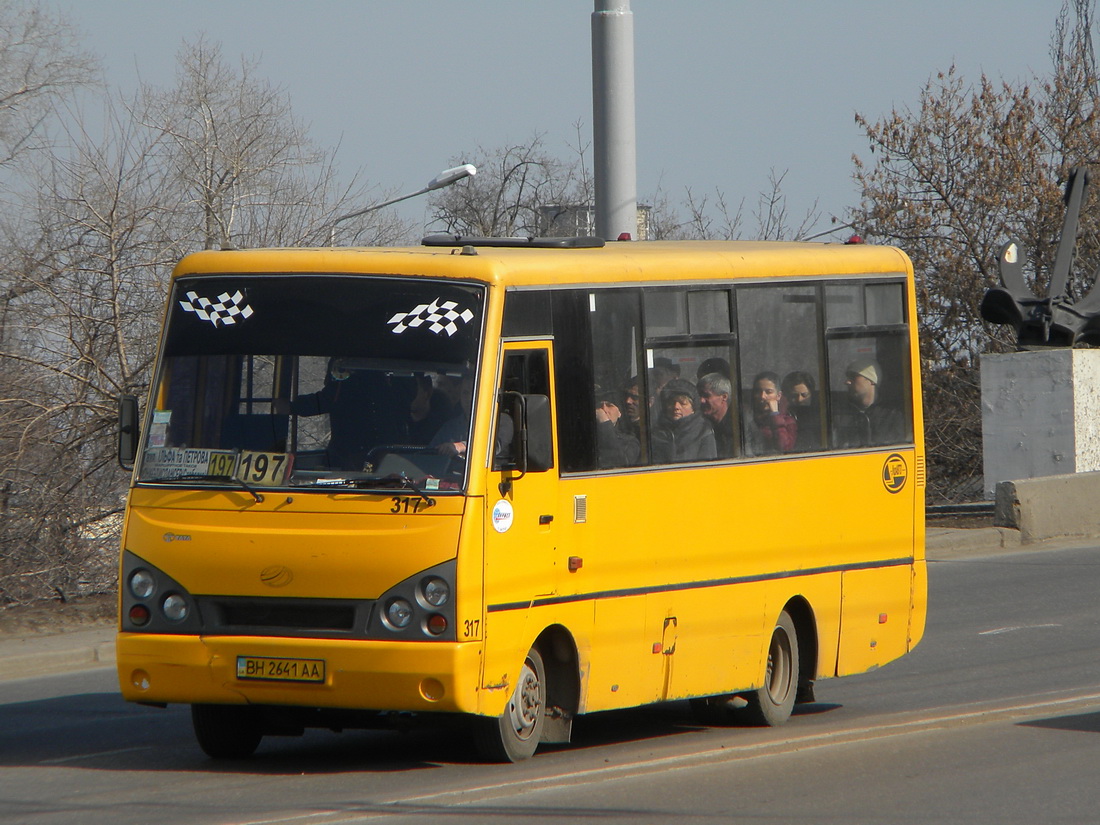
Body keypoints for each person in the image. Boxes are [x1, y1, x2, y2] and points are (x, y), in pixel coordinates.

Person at [280, 359, 406, 470]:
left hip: (351, 452)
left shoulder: (346, 369)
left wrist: (292, 406)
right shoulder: (387, 380)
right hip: (384, 451)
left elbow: (329, 398)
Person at [834, 359, 905, 448]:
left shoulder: (893, 415)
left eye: (853, 376)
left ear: (872, 380)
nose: (847, 382)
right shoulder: (840, 414)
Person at [651, 378, 717, 463]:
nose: (676, 407)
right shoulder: (656, 432)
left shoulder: (703, 432)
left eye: (683, 403)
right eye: (671, 402)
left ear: (693, 408)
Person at [747, 371, 798, 455]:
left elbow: (784, 447)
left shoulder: (788, 421)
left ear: (778, 396)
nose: (762, 396)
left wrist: (775, 415)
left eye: (768, 392)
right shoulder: (748, 416)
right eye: (758, 391)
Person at [595, 387, 641, 468]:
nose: (604, 409)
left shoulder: (630, 442)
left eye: (609, 405)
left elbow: (619, 463)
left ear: (619, 413)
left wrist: (605, 423)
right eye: (600, 405)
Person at [697, 372, 735, 458]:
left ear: (724, 397)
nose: (701, 400)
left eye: (706, 395)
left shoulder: (737, 426)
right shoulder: (698, 423)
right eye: (699, 395)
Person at [782, 370, 822, 451]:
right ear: (786, 395)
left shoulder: (821, 415)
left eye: (804, 395)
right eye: (794, 395)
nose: (799, 399)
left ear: (812, 393)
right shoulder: (783, 415)